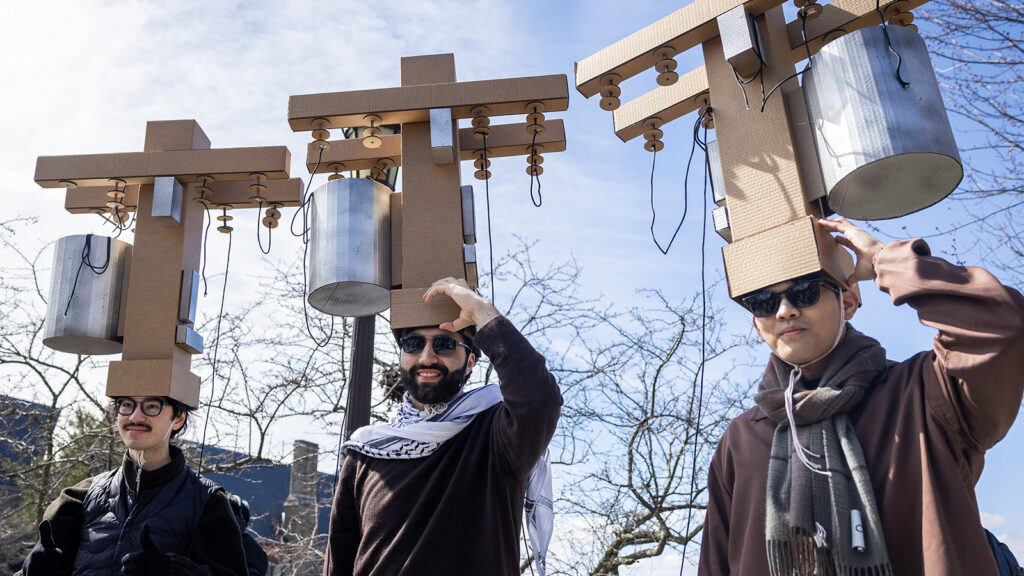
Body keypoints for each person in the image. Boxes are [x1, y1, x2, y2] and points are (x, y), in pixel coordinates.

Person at [698, 218, 1024, 575]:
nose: (784, 310)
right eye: (762, 302)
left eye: (805, 290)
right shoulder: (742, 439)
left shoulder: (924, 393)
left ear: (850, 303)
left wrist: (886, 259)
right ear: (756, 326)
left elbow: (1002, 327)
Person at [325, 277, 562, 576]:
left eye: (445, 344)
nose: (427, 356)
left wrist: (481, 312)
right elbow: (339, 563)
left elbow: (540, 399)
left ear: (471, 360)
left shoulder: (496, 435)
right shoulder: (366, 451)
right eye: (413, 344)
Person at [19, 396, 249, 576]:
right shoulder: (79, 497)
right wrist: (32, 571)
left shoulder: (207, 503)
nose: (136, 416)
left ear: (178, 418)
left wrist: (175, 571)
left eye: (152, 406)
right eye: (127, 404)